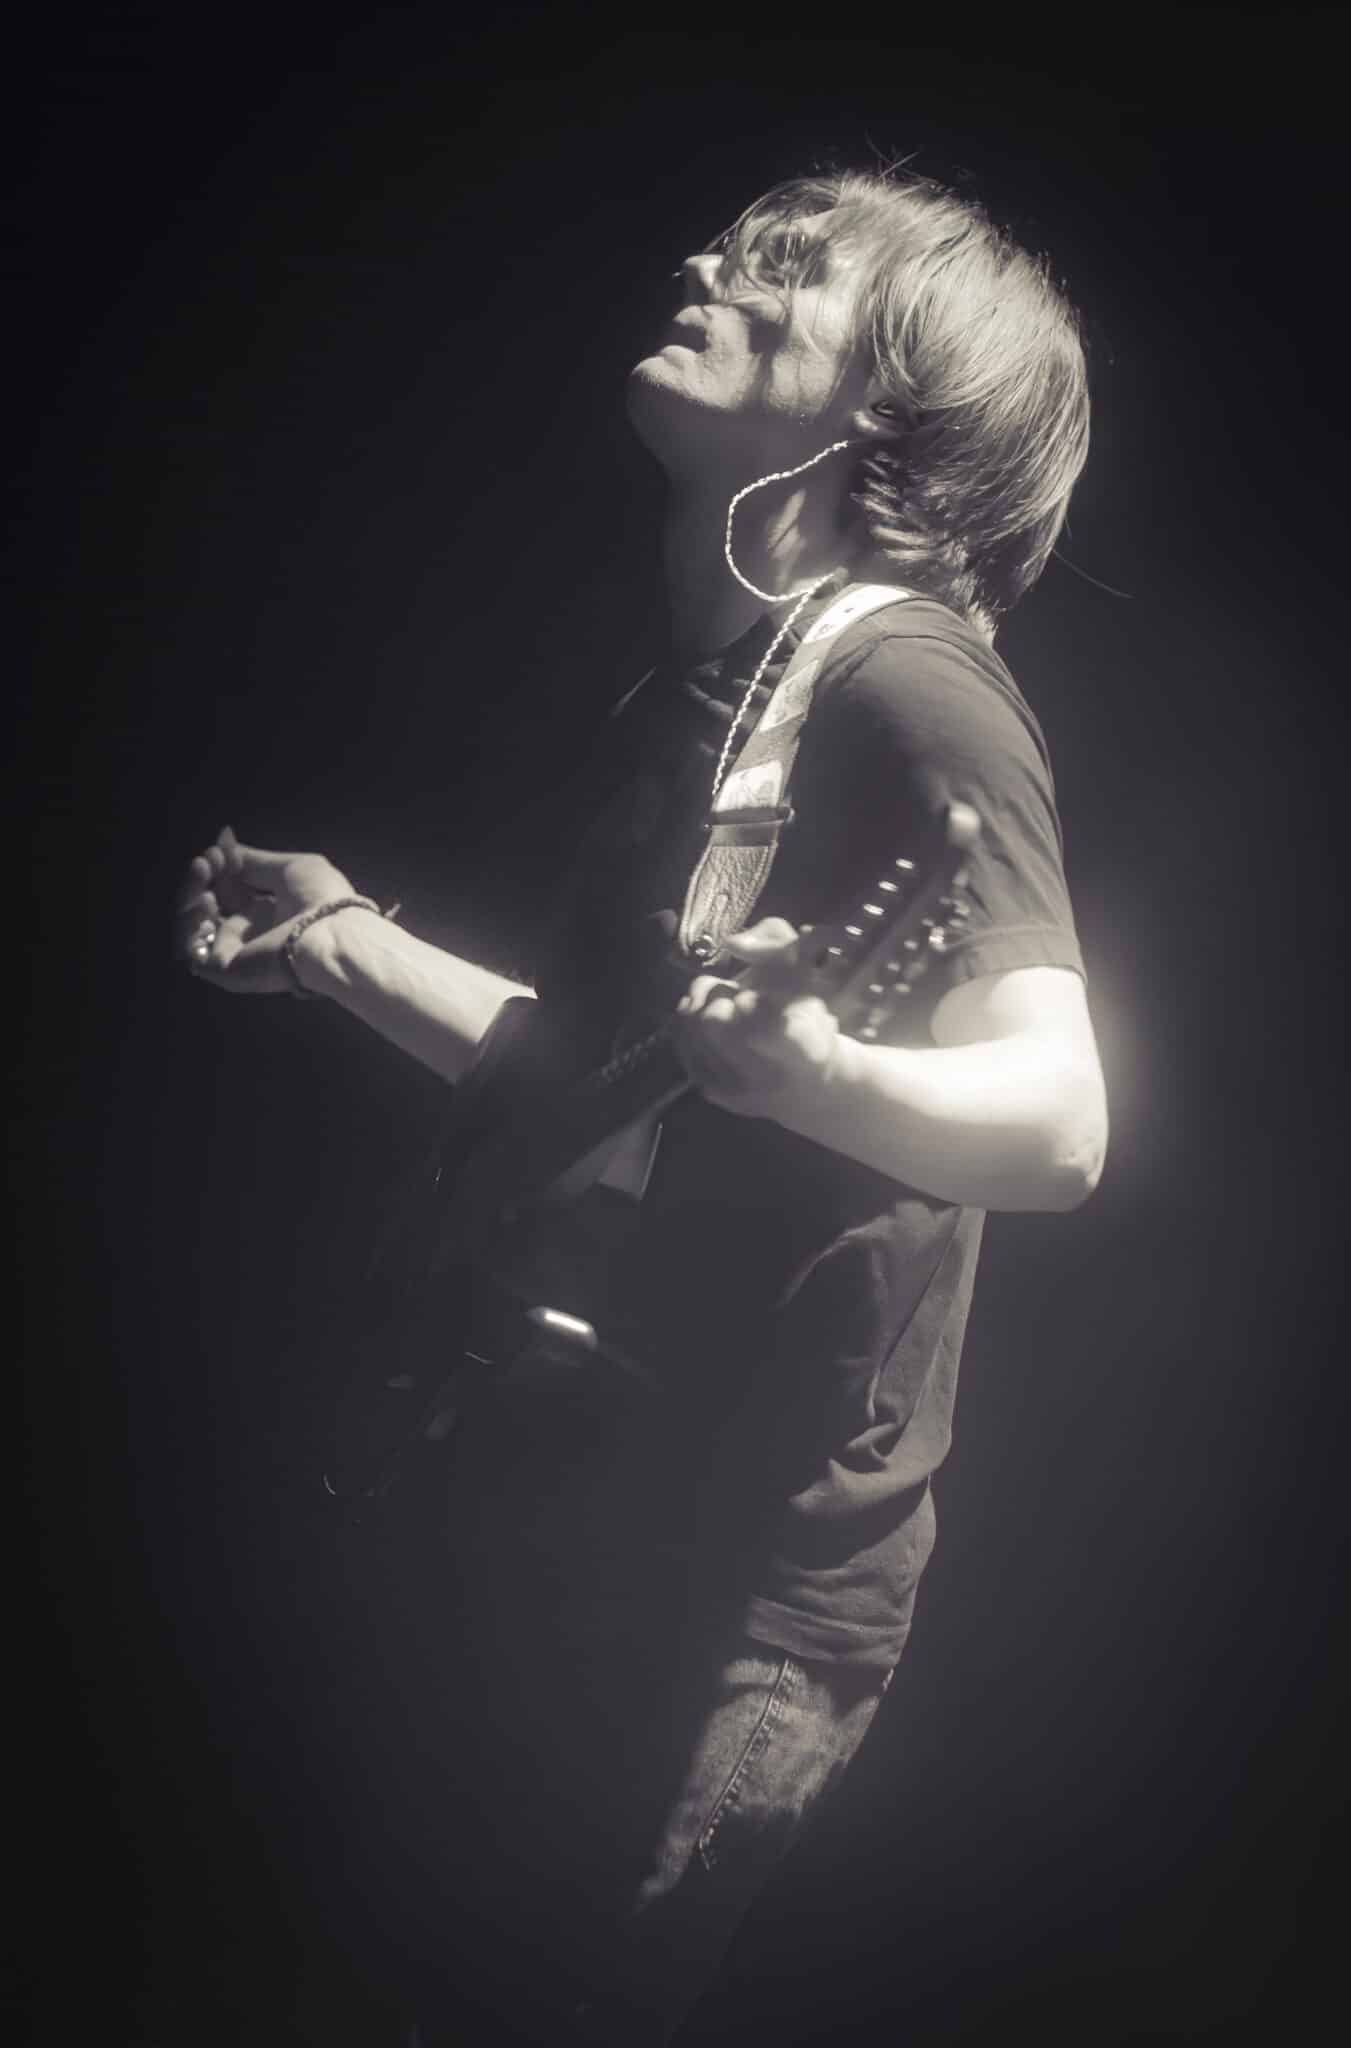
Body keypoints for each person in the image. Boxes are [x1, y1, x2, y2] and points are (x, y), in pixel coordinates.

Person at [176, 166, 1108, 2044]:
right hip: (566, 1515)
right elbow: (615, 1091)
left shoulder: (912, 685)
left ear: (894, 398)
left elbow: (1060, 1122)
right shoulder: (706, 696)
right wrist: (342, 946)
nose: (703, 263)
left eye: (783, 266)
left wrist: (833, 1073)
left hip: (728, 1602)